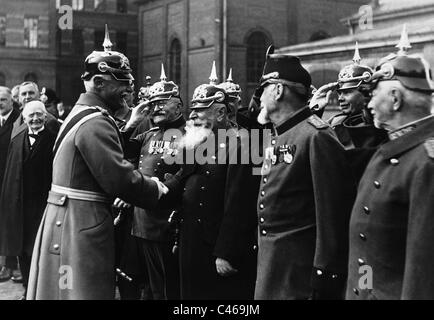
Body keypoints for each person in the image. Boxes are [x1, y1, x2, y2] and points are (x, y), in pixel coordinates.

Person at [26, 25, 168, 300]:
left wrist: (128, 126)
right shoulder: (96, 122)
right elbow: (117, 178)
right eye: (121, 82)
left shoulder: (84, 113)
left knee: (62, 291)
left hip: (66, 217)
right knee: (80, 291)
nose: (128, 89)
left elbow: (94, 155)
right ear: (99, 83)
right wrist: (154, 188)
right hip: (80, 222)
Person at [254, 50, 355, 300]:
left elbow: (332, 214)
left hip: (298, 275)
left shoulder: (316, 136)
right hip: (273, 266)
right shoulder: (279, 135)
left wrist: (324, 276)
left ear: (278, 90)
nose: (259, 98)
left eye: (264, 88)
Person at [346, 40, 434, 300]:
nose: (368, 104)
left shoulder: (425, 163)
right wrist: (365, 291)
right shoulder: (392, 148)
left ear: (395, 99)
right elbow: (370, 253)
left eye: (373, 95)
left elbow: (423, 265)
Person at [164, 69, 258, 300]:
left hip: (217, 249)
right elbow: (181, 182)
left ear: (220, 113)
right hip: (190, 243)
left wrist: (226, 253)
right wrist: (149, 189)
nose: (192, 117)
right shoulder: (196, 143)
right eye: (192, 110)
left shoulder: (245, 144)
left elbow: (240, 205)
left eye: (200, 111)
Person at [117, 64, 185, 300]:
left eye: (163, 102)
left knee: (168, 289)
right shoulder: (147, 134)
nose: (156, 107)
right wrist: (133, 122)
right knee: (146, 286)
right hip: (141, 224)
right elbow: (117, 150)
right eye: (154, 102)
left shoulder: (191, 135)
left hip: (167, 225)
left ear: (178, 105)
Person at [0, 101, 56, 300]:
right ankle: (27, 289)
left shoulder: (53, 140)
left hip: (42, 205)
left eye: (39, 115)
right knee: (22, 251)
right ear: (24, 118)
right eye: (31, 115)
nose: (35, 119)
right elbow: (10, 174)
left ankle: (41, 291)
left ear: (45, 116)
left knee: (39, 251)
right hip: (20, 206)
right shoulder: (17, 140)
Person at [310, 43, 388, 181]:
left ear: (366, 92)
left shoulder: (382, 125)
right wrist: (314, 111)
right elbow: (310, 147)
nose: (340, 98)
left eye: (347, 92)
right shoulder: (335, 123)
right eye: (340, 93)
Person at [0, 86, 21, 283]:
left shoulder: (19, 119)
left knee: (11, 221)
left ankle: (11, 265)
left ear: (11, 101)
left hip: (12, 178)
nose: (0, 103)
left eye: (3, 100)